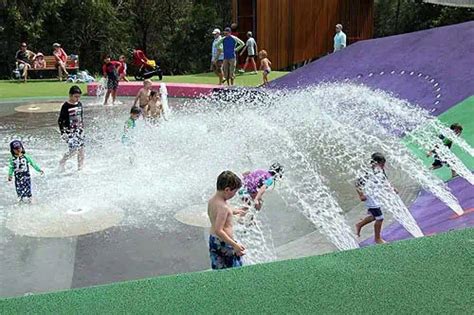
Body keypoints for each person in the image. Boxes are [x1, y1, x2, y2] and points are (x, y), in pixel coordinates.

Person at [208, 170, 247, 270]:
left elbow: (222, 213)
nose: (235, 194)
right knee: (234, 269)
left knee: (219, 268)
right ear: (227, 190)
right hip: (224, 243)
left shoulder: (213, 200)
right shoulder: (223, 207)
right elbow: (219, 230)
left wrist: (236, 211)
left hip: (214, 240)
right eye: (234, 192)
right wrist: (235, 245)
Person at [355, 153, 396, 244]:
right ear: (374, 163)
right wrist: (361, 195)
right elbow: (357, 183)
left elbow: (385, 182)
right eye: (381, 164)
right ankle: (377, 239)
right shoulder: (368, 172)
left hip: (376, 197)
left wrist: (392, 189)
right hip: (370, 197)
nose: (383, 166)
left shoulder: (381, 171)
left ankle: (359, 225)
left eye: (383, 164)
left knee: (374, 216)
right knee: (380, 218)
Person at [58, 85, 85, 172]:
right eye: (75, 96)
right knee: (73, 151)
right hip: (70, 132)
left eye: (79, 97)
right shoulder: (66, 106)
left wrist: (82, 128)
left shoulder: (80, 104)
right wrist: (63, 133)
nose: (77, 98)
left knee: (81, 150)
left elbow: (81, 117)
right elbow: (60, 120)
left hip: (79, 131)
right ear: (70, 95)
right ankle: (63, 160)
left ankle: (80, 168)